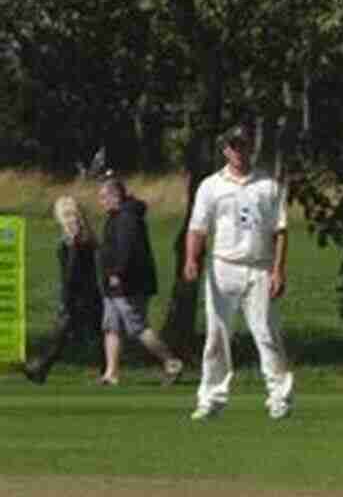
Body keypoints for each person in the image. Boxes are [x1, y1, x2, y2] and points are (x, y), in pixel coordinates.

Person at [183, 123, 294, 420]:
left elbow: (280, 231)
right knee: (216, 336)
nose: (238, 151)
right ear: (225, 150)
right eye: (233, 146)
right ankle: (211, 399)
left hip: (259, 267)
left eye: (243, 145)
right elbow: (198, 227)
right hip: (223, 266)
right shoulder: (211, 185)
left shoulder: (268, 185)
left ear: (251, 147)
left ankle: (279, 397)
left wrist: (278, 270)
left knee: (267, 334)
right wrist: (191, 260)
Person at [96, 178, 184, 386]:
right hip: (112, 283)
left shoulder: (127, 218)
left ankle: (171, 362)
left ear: (115, 196)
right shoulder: (116, 216)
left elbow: (128, 250)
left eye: (103, 197)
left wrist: (118, 273)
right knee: (111, 326)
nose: (101, 202)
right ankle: (111, 373)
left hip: (128, 284)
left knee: (137, 326)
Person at [23, 196, 104, 384]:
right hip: (88, 294)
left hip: (79, 296)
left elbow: (72, 273)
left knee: (63, 334)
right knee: (87, 334)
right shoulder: (84, 237)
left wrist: (66, 299)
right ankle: (41, 368)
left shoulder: (75, 240)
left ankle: (40, 368)